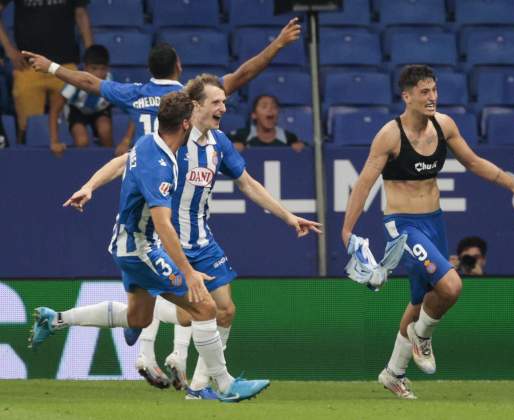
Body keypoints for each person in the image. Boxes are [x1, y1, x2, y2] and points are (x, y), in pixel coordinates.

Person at [61, 74, 322, 399]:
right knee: (196, 310)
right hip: (167, 242)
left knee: (223, 309)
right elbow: (120, 164)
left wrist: (287, 216)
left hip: (201, 238)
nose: (223, 108)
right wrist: (89, 186)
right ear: (195, 108)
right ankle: (164, 340)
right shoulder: (165, 143)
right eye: (216, 102)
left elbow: (248, 183)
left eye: (224, 102)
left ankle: (199, 385)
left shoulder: (219, 144)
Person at [29, 91, 276, 402]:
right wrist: (189, 272)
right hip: (140, 247)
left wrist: (88, 186)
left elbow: (120, 163)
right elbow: (162, 224)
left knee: (139, 319)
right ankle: (223, 385)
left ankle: (55, 319)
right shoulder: (160, 164)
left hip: (127, 243)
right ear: (186, 124)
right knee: (204, 307)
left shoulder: (149, 143)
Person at [341, 64, 514, 400]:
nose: (432, 97)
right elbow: (364, 182)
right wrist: (347, 231)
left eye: (434, 90)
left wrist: (511, 183)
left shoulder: (444, 125)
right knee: (451, 286)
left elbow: (474, 161)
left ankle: (393, 373)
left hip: (434, 221)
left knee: (421, 301)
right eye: (424, 92)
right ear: (406, 96)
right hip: (402, 225)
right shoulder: (389, 135)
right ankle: (421, 337)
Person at [21, 17, 302, 155]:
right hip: (178, 175)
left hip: (144, 175)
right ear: (178, 65)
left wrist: (51, 67)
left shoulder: (134, 93)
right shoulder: (193, 94)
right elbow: (243, 74)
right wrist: (277, 43)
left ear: (150, 69)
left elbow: (88, 81)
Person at [0, 0, 92, 143]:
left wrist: (89, 52)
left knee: (72, 125)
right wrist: (9, 50)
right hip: (29, 66)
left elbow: (80, 13)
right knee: (28, 129)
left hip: (65, 65)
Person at [49, 44, 113, 157]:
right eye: (94, 68)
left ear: (108, 69)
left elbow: (133, 107)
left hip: (100, 110)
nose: (98, 74)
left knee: (105, 130)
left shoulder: (110, 81)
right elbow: (54, 110)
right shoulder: (74, 81)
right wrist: (55, 141)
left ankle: (110, 165)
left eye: (103, 69)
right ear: (85, 68)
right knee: (82, 141)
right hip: (77, 110)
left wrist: (126, 140)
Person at [230, 94, 305, 152]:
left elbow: (305, 148)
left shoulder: (290, 138)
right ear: (254, 115)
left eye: (274, 106)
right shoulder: (240, 136)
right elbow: (221, 146)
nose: (270, 109)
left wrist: (301, 147)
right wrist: (231, 148)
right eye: (264, 106)